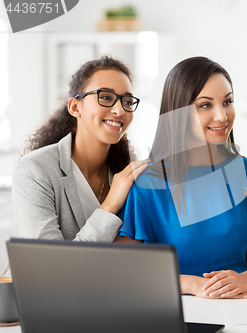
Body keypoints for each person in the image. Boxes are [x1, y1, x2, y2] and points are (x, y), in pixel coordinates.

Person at [115, 56, 247, 299]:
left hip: (243, 309)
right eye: (205, 105)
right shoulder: (148, 184)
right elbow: (127, 269)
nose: (222, 116)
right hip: (177, 315)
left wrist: (245, 280)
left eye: (227, 102)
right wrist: (192, 285)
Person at [12, 56, 148, 242]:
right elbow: (49, 264)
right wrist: (109, 205)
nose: (120, 110)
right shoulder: (35, 170)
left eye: (128, 101)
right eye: (106, 97)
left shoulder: (128, 169)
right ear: (75, 107)